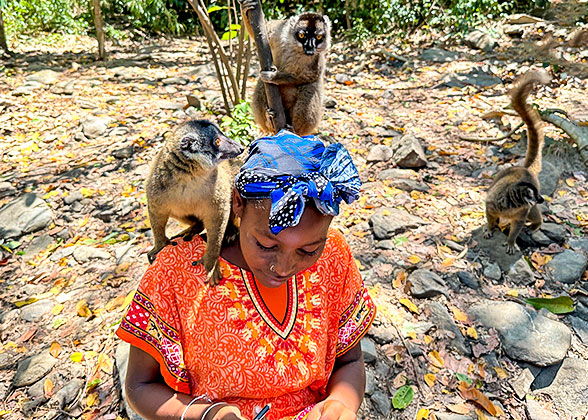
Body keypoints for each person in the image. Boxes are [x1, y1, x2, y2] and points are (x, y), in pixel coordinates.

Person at [116, 130, 376, 420]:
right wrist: (207, 415)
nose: (284, 267)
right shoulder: (176, 272)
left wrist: (339, 405)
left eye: (308, 250)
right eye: (266, 245)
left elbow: (350, 361)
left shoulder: (333, 259)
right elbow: (140, 386)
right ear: (237, 203)